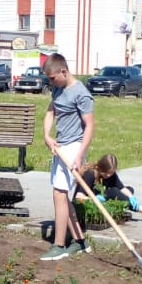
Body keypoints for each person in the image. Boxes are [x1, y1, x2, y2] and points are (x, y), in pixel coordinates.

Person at [41, 53, 94, 261]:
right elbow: (50, 112)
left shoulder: (81, 93)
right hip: (60, 146)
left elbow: (90, 126)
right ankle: (80, 242)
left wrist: (80, 155)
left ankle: (59, 245)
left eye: (53, 78)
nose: (51, 82)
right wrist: (47, 136)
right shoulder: (58, 89)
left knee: (59, 194)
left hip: (74, 147)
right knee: (61, 196)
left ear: (64, 72)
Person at [77, 153, 142, 223]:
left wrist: (131, 197)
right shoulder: (90, 174)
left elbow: (121, 188)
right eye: (106, 173)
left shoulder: (111, 175)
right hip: (87, 204)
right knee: (113, 192)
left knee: (129, 190)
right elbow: (78, 196)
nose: (108, 176)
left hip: (103, 198)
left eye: (111, 173)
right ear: (100, 168)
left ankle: (122, 207)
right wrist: (96, 199)